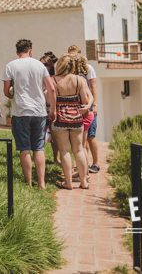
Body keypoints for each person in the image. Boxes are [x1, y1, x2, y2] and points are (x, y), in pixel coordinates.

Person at [3, 39, 56, 189]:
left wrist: (12, 93)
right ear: (30, 50)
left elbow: (6, 91)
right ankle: (42, 183)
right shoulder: (39, 65)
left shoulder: (10, 65)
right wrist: (53, 109)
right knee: (38, 148)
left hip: (20, 112)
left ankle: (28, 183)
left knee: (24, 148)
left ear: (17, 51)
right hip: (39, 111)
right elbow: (51, 88)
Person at [52, 54, 93, 190]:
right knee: (79, 150)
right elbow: (85, 101)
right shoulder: (79, 80)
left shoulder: (54, 80)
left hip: (60, 120)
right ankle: (84, 182)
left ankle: (68, 183)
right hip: (77, 119)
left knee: (64, 151)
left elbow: (50, 100)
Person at [68, 45, 100, 173]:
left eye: (74, 54)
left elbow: (93, 86)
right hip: (77, 107)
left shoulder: (88, 68)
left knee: (90, 136)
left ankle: (96, 163)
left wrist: (95, 104)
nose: (73, 57)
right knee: (81, 138)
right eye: (70, 54)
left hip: (89, 106)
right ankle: (82, 165)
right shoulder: (70, 69)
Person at [40, 51, 59, 163]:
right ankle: (37, 157)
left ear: (50, 66)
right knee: (39, 135)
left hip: (51, 109)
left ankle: (56, 158)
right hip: (40, 109)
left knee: (54, 137)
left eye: (45, 64)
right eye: (41, 64)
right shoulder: (38, 78)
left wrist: (53, 109)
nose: (42, 67)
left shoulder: (53, 78)